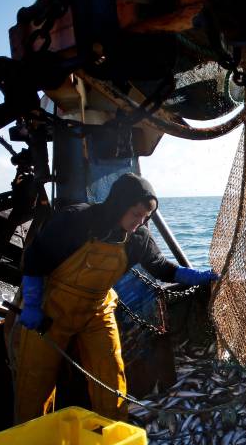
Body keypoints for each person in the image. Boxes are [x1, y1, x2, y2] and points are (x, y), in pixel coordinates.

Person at [11, 173, 217, 423]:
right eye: (134, 214)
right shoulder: (75, 220)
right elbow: (35, 259)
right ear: (119, 204)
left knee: (111, 376)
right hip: (51, 309)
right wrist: (31, 304)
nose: (138, 223)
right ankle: (34, 439)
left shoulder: (138, 237)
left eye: (145, 218)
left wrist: (196, 276)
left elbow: (162, 268)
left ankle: (112, 431)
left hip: (97, 310)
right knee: (35, 380)